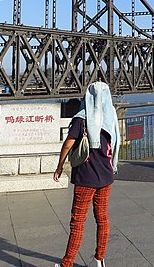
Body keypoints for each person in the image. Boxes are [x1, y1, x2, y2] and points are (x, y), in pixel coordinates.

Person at [53, 81, 121, 267]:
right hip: (106, 175)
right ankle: (99, 259)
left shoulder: (81, 119)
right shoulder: (110, 117)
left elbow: (68, 144)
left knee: (78, 221)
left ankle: (67, 263)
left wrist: (59, 166)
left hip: (85, 176)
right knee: (102, 218)